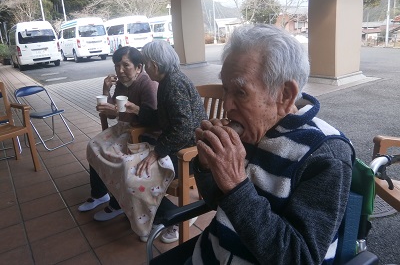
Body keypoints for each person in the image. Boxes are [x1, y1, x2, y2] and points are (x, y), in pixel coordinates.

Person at [193, 24, 354, 264]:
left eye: (240, 92)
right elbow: (218, 203)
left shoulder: (325, 154)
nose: (227, 105)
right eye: (226, 90)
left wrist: (236, 185)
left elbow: (299, 258)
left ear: (285, 95)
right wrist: (208, 168)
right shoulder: (249, 131)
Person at [131, 40, 207, 243]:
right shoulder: (167, 81)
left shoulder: (173, 85)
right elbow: (165, 118)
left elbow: (183, 128)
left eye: (146, 64)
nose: (146, 69)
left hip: (190, 153)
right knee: (134, 164)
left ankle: (181, 215)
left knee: (138, 173)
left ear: (154, 65)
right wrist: (138, 110)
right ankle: (159, 214)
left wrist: (157, 152)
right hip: (178, 145)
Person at [78, 46, 158, 222]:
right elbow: (114, 113)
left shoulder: (147, 83)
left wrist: (131, 111)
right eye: (116, 65)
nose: (120, 70)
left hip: (140, 131)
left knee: (113, 155)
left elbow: (152, 117)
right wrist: (106, 90)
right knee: (94, 146)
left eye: (126, 65)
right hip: (123, 127)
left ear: (139, 67)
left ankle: (118, 203)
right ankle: (100, 194)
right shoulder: (122, 83)